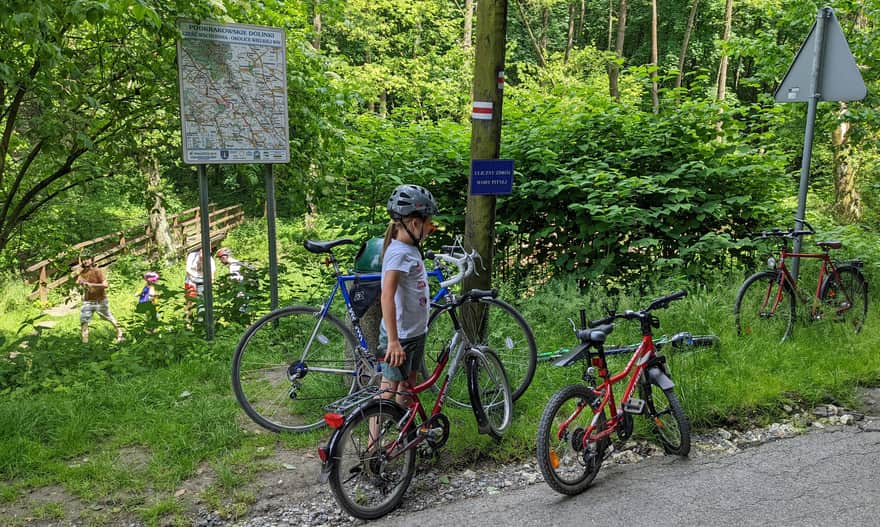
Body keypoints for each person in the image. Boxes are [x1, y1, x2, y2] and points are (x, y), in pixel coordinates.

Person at [377, 184, 439, 407]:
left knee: (407, 388)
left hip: (414, 333)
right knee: (387, 391)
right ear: (414, 223)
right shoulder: (398, 253)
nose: (431, 229)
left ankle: (402, 435)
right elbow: (386, 296)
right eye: (429, 224)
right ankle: (374, 442)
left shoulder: (410, 249)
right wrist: (393, 341)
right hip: (400, 336)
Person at [77, 254, 124, 344]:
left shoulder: (97, 271)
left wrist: (92, 285)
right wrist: (81, 284)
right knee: (84, 320)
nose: (85, 261)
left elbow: (105, 285)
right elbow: (79, 282)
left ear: (92, 260)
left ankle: (120, 333)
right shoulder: (82, 272)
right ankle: (85, 342)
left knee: (109, 317)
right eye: (83, 259)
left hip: (100, 300)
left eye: (87, 258)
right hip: (88, 301)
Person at [184, 248, 215, 323]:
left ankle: (200, 321)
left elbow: (212, 273)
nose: (202, 258)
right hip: (191, 281)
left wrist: (211, 282)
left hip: (202, 282)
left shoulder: (210, 260)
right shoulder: (192, 256)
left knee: (201, 302)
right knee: (189, 301)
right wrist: (195, 277)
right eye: (201, 256)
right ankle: (188, 321)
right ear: (200, 252)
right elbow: (188, 270)